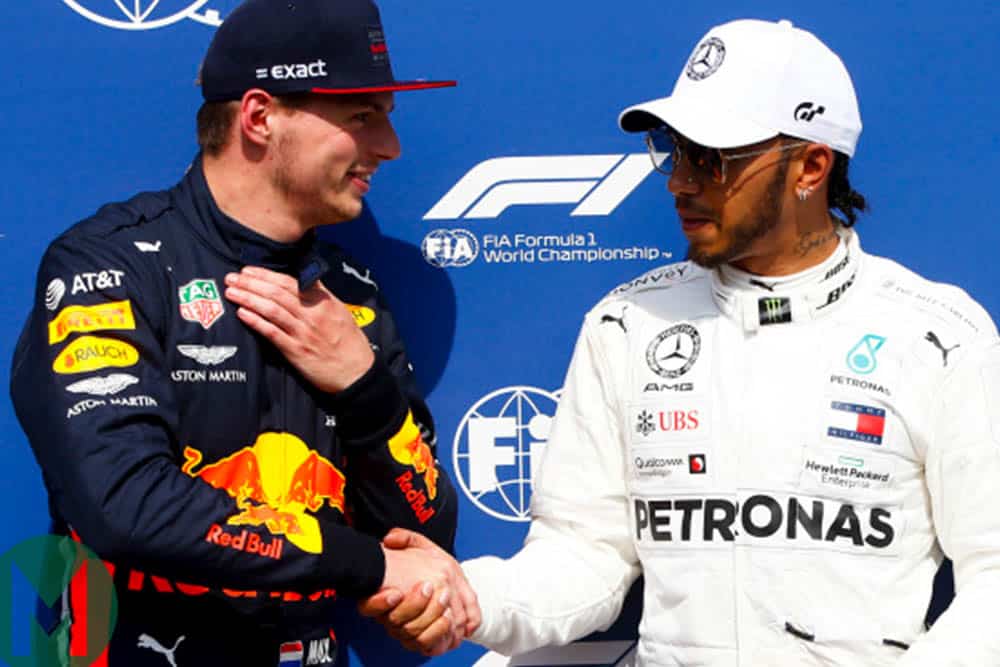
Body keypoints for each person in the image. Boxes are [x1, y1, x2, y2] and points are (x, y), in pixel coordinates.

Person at [362, 18, 1000, 666]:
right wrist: (468, 593)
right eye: (674, 149)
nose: (680, 180)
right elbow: (585, 555)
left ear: (811, 165)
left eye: (712, 158)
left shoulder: (938, 338)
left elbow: (994, 580)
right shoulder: (628, 323)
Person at [9, 0, 476, 664]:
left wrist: (365, 389)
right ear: (259, 118)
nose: (390, 147)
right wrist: (365, 565)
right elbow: (124, 503)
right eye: (363, 117)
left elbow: (424, 537)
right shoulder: (107, 267)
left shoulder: (352, 295)